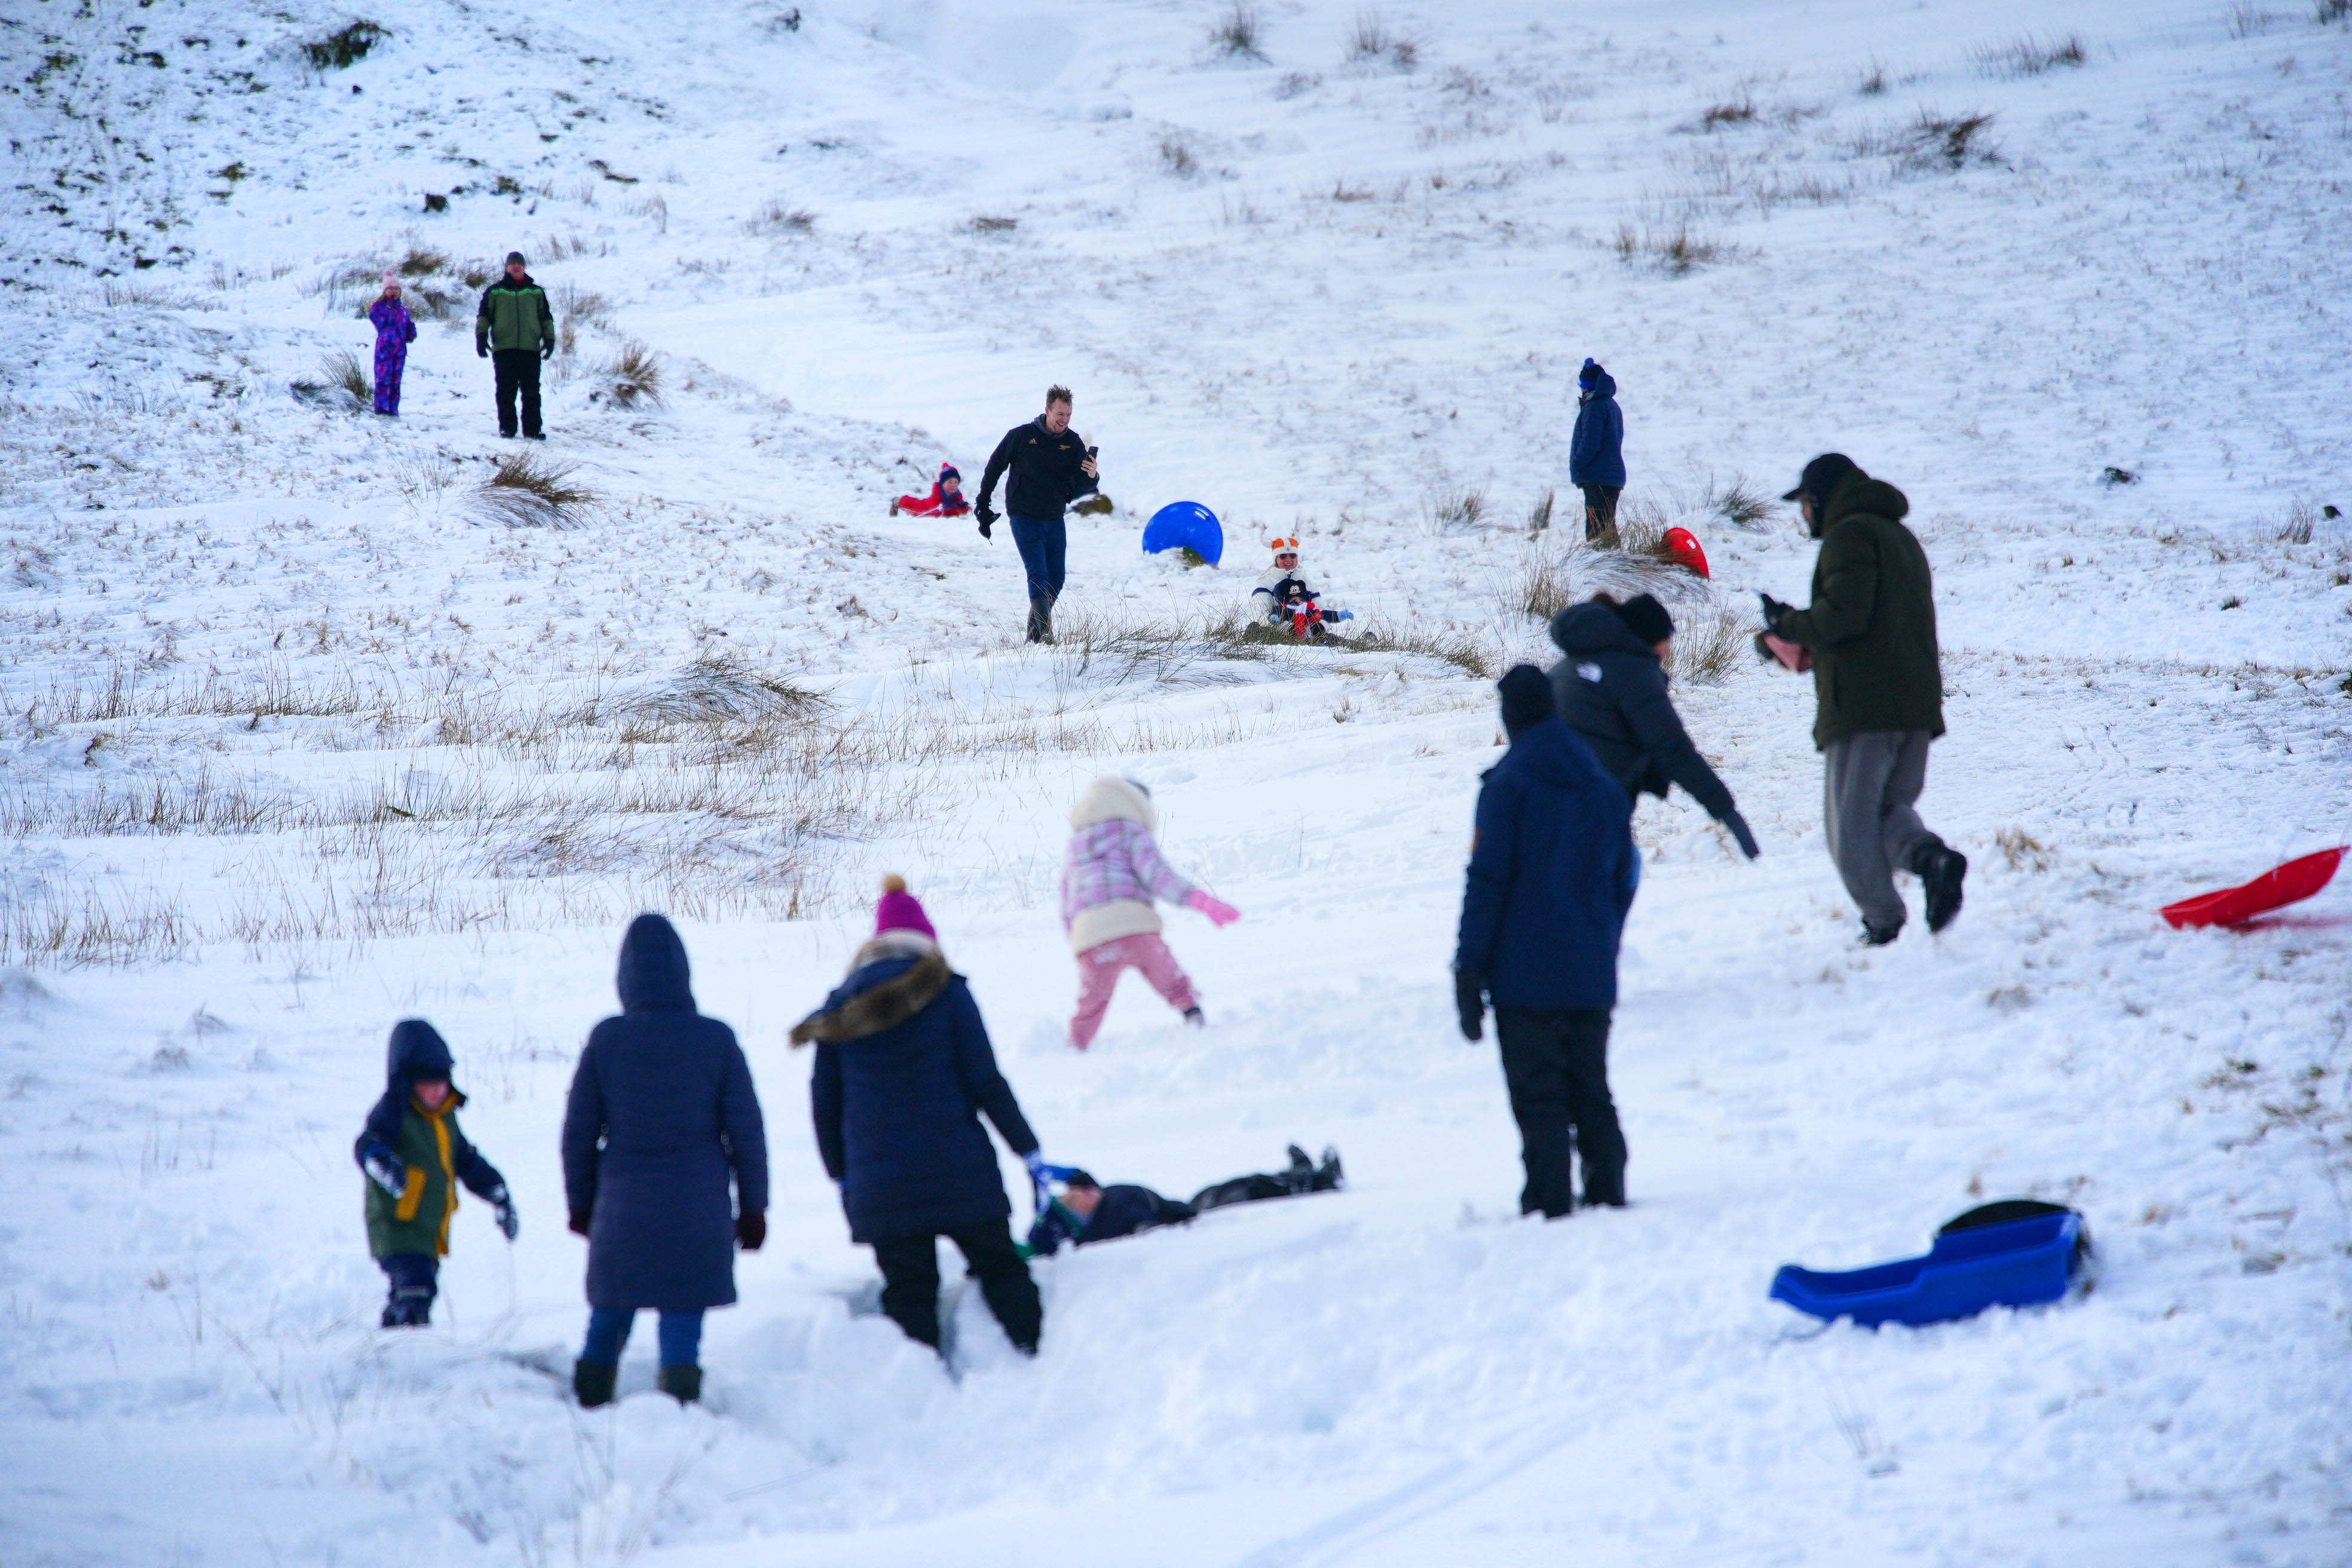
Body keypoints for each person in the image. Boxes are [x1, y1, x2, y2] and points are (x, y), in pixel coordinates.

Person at [792, 875, 1048, 1358]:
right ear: (927, 944)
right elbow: (986, 1082)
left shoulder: (837, 1009)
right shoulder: (948, 994)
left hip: (881, 1188)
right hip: (961, 1173)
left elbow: (824, 1107)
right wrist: (1027, 1148)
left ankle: (919, 1383)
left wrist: (843, 1175)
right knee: (1001, 1267)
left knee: (909, 1292)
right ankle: (1036, 1356)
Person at [561, 914, 768, 1408]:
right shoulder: (715, 1038)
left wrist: (581, 1205)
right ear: (684, 974)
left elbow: (578, 1135)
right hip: (697, 1209)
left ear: (624, 978)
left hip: (623, 1208)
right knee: (682, 1311)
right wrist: (754, 1208)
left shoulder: (607, 1039)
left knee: (610, 1312)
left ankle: (590, 1404)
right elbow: (747, 1133)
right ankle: (678, 1405)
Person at [1759, 453, 1966, 945]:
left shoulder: (1849, 535)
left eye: (1806, 503)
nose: (1803, 514)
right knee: (1887, 812)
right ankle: (1932, 861)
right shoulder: (1900, 537)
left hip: (1865, 709)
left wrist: (1785, 625)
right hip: (1913, 706)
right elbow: (1869, 619)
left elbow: (1843, 618)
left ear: (1823, 498)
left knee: (1849, 826)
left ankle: (1882, 925)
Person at [1453, 667, 1636, 1217]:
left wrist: (1468, 970)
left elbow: (1487, 885)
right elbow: (1624, 876)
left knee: (1540, 1100)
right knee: (1592, 1092)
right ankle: (1609, 1194)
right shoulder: (1602, 785)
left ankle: (1549, 1206)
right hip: (1589, 972)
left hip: (1523, 980)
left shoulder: (1506, 788)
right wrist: (1604, 938)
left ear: (1510, 718)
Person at [1547, 591, 1759, 859]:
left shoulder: (1567, 668)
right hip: (1592, 804)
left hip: (1547, 798)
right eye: (1665, 640)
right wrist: (1727, 812)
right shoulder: (1631, 670)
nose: (1667, 651)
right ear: (1647, 638)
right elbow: (1673, 749)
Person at [354, 1019, 517, 1328]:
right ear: (406, 1083)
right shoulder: (394, 1112)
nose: (435, 1092)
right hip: (397, 1226)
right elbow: (367, 1144)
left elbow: (468, 1163)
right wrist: (381, 1163)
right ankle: (413, 1348)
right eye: (426, 1085)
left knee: (412, 1291)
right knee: (416, 1291)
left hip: (427, 1232)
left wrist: (499, 1195)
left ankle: (390, 1345)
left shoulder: (444, 1120)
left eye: (441, 1084)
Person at [1061, 776, 1239, 1050]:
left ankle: (1074, 1048)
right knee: (1173, 982)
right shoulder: (1131, 831)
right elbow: (1158, 876)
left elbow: (1067, 900)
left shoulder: (1075, 844)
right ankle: (1196, 1023)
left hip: (1092, 937)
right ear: (1137, 804)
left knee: (1091, 1002)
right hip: (1135, 928)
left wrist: (1077, 939)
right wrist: (1201, 901)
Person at [1022, 1145, 1344, 1257]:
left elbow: (1078, 1176)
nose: (1080, 1190)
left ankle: (1300, 1175)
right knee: (1249, 1191)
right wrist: (1152, 1227)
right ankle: (1319, 1180)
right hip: (1201, 1218)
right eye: (1073, 1201)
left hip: (1189, 1203)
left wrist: (1039, 1169)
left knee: (1241, 1184)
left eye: (1072, 1191)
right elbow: (1148, 1232)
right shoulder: (1111, 1220)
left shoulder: (1098, 1199)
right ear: (1079, 1225)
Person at [974, 385, 1100, 643]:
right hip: (1023, 516)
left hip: (1054, 517)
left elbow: (1082, 487)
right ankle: (1044, 634)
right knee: (1038, 574)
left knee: (1057, 577)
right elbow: (995, 466)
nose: (1063, 421)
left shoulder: (1073, 443)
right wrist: (983, 501)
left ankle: (1034, 637)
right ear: (1047, 411)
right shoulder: (1021, 437)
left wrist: (1092, 475)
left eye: (1068, 416)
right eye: (1059, 415)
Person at [473, 250, 555, 440]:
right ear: (507, 268)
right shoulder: (495, 292)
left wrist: (549, 340)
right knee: (506, 391)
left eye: (520, 264)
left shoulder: (536, 292)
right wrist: (481, 336)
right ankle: (508, 428)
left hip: (530, 350)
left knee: (532, 392)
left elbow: (546, 319)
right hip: (504, 350)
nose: (516, 266)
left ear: (524, 267)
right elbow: (484, 316)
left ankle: (533, 430)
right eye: (512, 264)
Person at [1248, 537, 1355, 639]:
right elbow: (1262, 616)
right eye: (1283, 556)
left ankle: (1364, 645)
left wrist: (1318, 628)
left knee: (1333, 640)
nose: (1289, 560)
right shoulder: (1264, 583)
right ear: (1275, 559)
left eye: (1293, 556)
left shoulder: (1307, 583)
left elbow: (1320, 612)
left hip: (1310, 633)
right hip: (1279, 636)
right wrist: (1290, 630)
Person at [1569, 358, 1625, 543]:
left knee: (1596, 532)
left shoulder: (1594, 407)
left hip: (1597, 477)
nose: (1582, 389)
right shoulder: (1612, 405)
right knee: (1607, 526)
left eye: (1584, 384)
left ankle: (1601, 567)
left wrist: (1578, 464)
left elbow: (1590, 443)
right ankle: (1615, 563)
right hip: (1611, 477)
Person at [367, 272, 417, 416]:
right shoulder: (378, 307)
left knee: (396, 380)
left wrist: (411, 332)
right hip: (385, 349)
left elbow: (408, 325)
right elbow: (378, 322)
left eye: (396, 288)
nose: (394, 291)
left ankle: (393, 408)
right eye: (390, 288)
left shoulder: (403, 310)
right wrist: (388, 309)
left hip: (399, 350)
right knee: (383, 378)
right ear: (385, 291)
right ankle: (382, 408)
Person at [892, 463, 971, 517]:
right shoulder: (938, 492)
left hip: (936, 510)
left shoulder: (958, 495)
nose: (953, 485)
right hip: (926, 507)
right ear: (942, 484)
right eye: (950, 482)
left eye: (956, 482)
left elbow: (958, 511)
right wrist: (950, 509)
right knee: (914, 505)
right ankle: (898, 501)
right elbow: (935, 511)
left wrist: (964, 508)